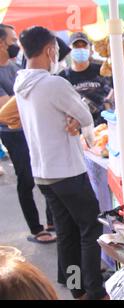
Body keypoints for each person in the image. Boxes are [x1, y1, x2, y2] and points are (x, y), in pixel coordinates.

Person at [15, 26, 108, 300]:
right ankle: (94, 290)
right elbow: (86, 116)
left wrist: (73, 119)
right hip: (67, 171)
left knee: (67, 233)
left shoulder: (22, 83)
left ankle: (76, 287)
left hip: (43, 174)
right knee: (90, 228)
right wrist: (77, 119)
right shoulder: (53, 83)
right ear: (49, 50)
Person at [0, 24, 56, 244]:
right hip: (12, 133)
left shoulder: (15, 69)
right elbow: (6, 109)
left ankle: (52, 221)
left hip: (32, 127)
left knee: (45, 172)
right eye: (13, 41)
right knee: (26, 177)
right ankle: (36, 228)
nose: (16, 45)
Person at [59, 32, 113, 126]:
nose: (81, 49)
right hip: (78, 128)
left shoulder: (102, 69)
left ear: (90, 49)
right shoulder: (63, 77)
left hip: (105, 124)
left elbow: (116, 88)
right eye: (76, 46)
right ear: (70, 49)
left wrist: (108, 102)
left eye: (84, 46)